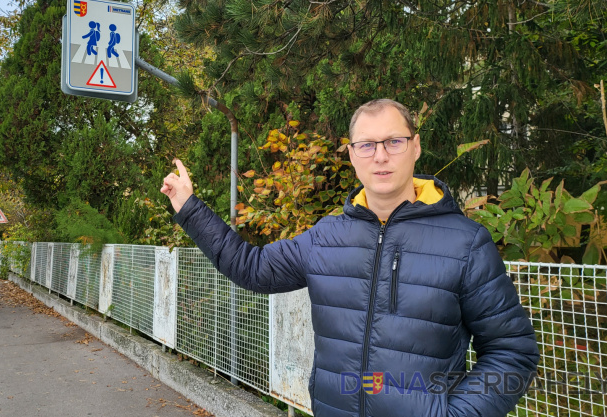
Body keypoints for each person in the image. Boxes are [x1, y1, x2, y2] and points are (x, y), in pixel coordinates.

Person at [161, 99, 539, 417]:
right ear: (353, 156)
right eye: (366, 145)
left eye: (394, 141)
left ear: (416, 146)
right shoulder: (327, 236)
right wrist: (188, 208)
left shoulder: (466, 243)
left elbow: (512, 353)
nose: (380, 156)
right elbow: (251, 267)